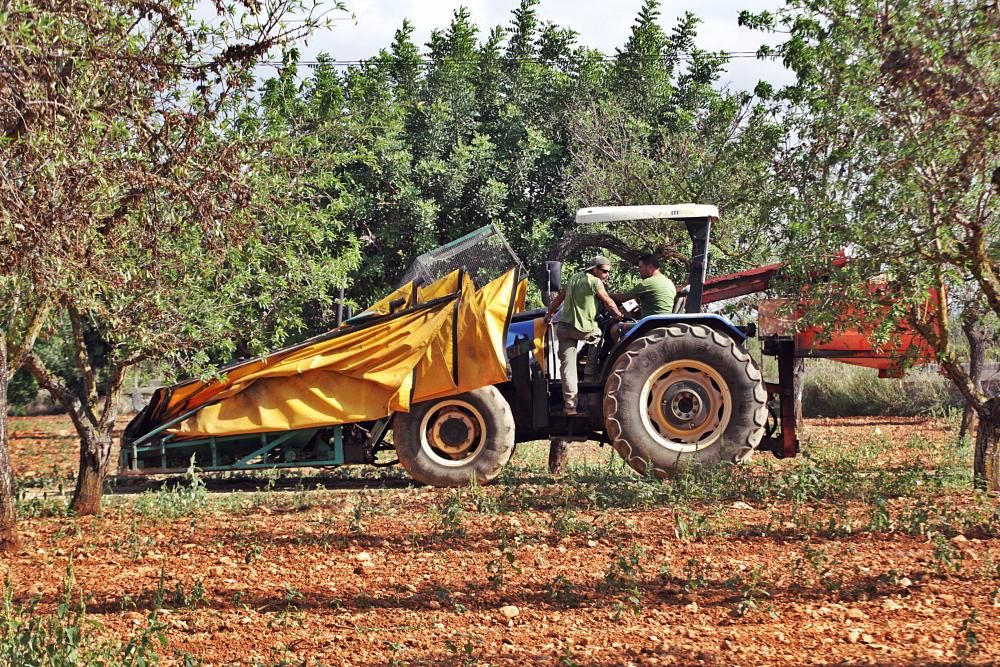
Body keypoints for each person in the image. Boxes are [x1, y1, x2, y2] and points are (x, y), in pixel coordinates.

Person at [544, 255, 624, 416]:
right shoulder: (595, 282)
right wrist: (618, 315)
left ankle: (570, 406)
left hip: (565, 328)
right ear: (595, 270)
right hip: (584, 329)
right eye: (604, 271)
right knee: (599, 336)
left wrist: (549, 314)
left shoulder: (573, 278)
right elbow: (608, 301)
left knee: (567, 368)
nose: (607, 274)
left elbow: (560, 297)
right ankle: (590, 372)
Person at [609, 254, 675, 341]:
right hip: (663, 322)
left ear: (650, 267)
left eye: (641, 267)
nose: (639, 270)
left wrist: (605, 295)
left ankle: (619, 353)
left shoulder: (648, 283)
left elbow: (623, 298)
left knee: (615, 329)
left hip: (650, 324)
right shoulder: (669, 282)